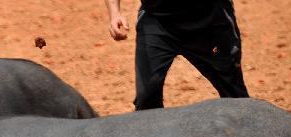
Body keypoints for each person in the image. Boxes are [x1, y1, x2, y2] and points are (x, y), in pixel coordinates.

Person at [103, 0, 249, 110]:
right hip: (157, 21)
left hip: (209, 22)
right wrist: (115, 14)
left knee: (234, 96)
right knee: (146, 99)